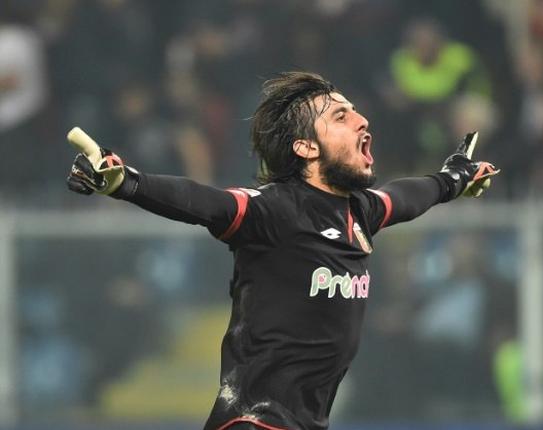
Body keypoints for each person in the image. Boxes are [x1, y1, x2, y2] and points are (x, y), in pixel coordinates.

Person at [65, 71, 499, 430]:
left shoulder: (360, 212)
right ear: (306, 148)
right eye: (341, 116)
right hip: (255, 423)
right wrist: (128, 183)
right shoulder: (275, 209)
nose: (362, 121)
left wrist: (451, 181)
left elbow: (404, 198)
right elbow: (204, 202)